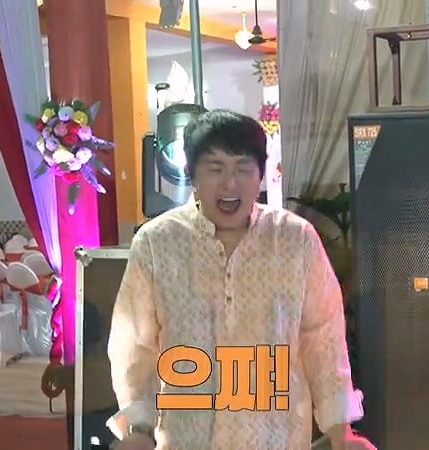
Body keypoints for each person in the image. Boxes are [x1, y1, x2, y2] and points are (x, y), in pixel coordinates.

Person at [108, 110, 377, 450]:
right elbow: (135, 345)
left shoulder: (296, 239)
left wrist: (342, 433)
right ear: (192, 174)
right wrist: (138, 429)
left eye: (243, 168)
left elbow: (323, 339)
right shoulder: (156, 242)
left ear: (260, 175)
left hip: (277, 439)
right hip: (187, 440)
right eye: (215, 168)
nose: (230, 184)